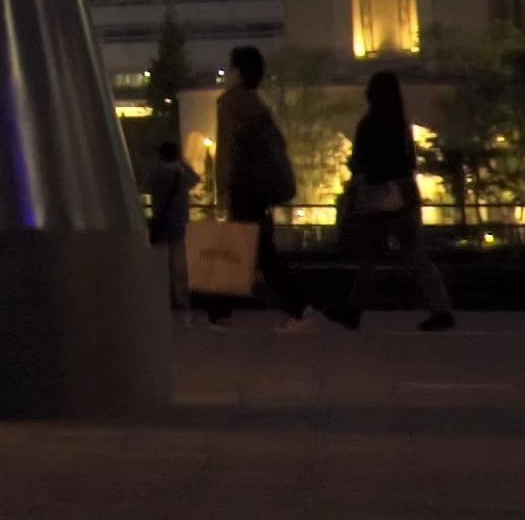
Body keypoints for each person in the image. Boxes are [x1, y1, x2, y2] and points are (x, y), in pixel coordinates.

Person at [330, 70, 455, 332]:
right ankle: (440, 308)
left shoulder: (369, 124)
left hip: (377, 198)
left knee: (370, 256)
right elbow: (408, 163)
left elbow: (359, 163)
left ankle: (353, 309)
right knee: (415, 255)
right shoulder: (401, 124)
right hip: (404, 193)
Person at [204, 45, 311, 329]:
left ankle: (297, 308)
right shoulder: (258, 103)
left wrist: (221, 190)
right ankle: (222, 310)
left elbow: (226, 150)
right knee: (255, 249)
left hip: (242, 187)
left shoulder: (230, 103)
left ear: (238, 71)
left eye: (231, 68)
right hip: (259, 189)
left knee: (251, 250)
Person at [142, 133, 198, 314]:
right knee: (179, 263)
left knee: (161, 264)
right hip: (179, 222)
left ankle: (163, 297)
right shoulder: (182, 174)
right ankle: (180, 298)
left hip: (161, 221)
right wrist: (182, 163)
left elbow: (146, 185)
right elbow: (196, 179)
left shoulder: (156, 173)